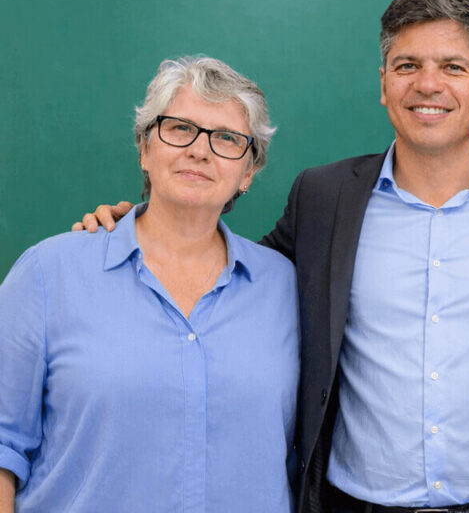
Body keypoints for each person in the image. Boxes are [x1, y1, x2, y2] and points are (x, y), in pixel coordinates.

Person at [77, 0, 469, 513]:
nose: (427, 84)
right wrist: (143, 226)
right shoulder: (323, 197)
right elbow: (229, 273)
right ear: (384, 83)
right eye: (406, 65)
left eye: (453, 66)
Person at [0, 56, 299, 512]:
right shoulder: (48, 274)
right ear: (145, 147)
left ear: (249, 172)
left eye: (227, 139)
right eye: (180, 128)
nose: (200, 150)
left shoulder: (285, 287)